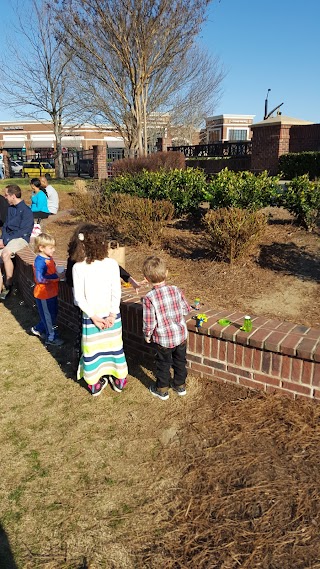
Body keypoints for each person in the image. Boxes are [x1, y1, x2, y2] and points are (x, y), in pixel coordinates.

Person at [71, 224, 128, 397]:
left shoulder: (78, 267)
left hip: (91, 318)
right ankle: (119, 379)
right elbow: (116, 291)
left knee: (92, 350)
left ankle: (94, 383)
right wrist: (112, 313)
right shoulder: (111, 264)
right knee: (114, 347)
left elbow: (79, 298)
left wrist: (94, 317)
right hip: (112, 316)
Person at [142, 255, 191, 401]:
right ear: (167, 273)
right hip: (180, 335)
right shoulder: (175, 290)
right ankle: (180, 385)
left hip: (163, 339)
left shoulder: (149, 297)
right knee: (180, 361)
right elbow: (186, 309)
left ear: (147, 278)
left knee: (163, 364)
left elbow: (149, 321)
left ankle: (162, 390)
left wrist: (147, 334)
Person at [0, 184, 34, 300]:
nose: (5, 197)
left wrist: (6, 241)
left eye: (6, 195)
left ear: (13, 196)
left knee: (5, 254)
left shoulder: (26, 211)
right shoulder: (10, 209)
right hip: (8, 238)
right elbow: (5, 226)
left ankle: (9, 284)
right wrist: (2, 238)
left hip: (20, 239)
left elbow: (23, 231)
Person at [31, 233, 64, 346]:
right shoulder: (40, 262)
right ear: (41, 248)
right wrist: (56, 277)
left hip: (51, 292)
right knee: (49, 316)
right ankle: (51, 338)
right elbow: (40, 278)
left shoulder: (49, 258)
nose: (54, 250)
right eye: (51, 248)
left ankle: (38, 328)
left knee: (52, 314)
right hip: (43, 294)